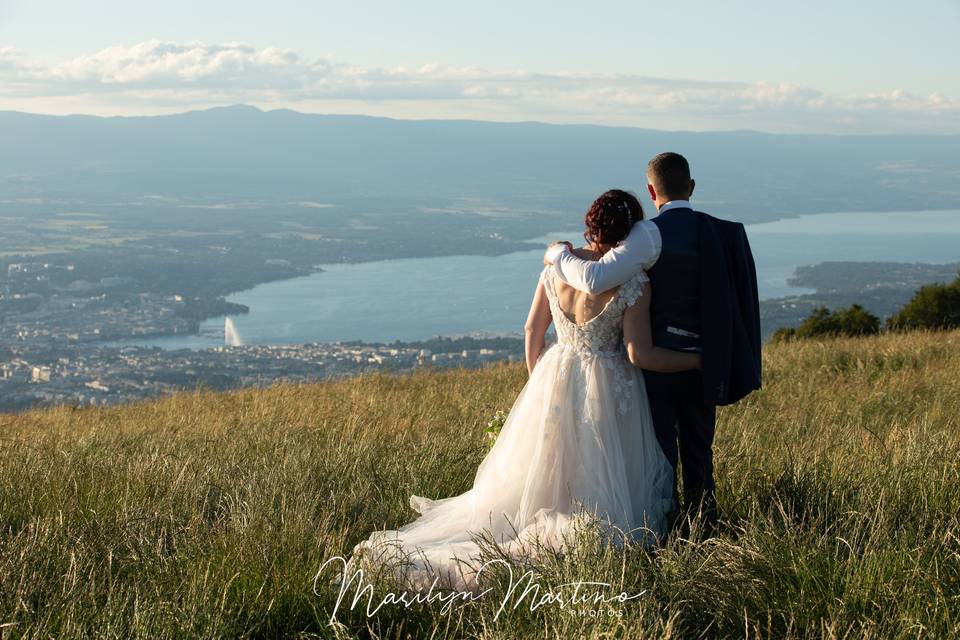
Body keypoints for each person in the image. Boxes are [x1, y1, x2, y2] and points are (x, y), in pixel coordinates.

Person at [353, 190, 700, 592]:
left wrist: (541, 380)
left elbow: (533, 330)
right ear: (628, 232)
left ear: (590, 225)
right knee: (603, 465)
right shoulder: (634, 281)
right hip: (609, 383)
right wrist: (697, 361)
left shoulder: (554, 271)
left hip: (557, 372)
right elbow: (638, 352)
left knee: (550, 462)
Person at [544, 152, 761, 530]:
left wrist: (557, 253)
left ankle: (662, 525)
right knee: (699, 449)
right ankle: (702, 524)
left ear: (651, 190)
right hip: (704, 359)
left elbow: (595, 279)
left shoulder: (648, 234)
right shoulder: (723, 233)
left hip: (655, 362)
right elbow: (740, 301)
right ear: (691, 187)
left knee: (659, 453)